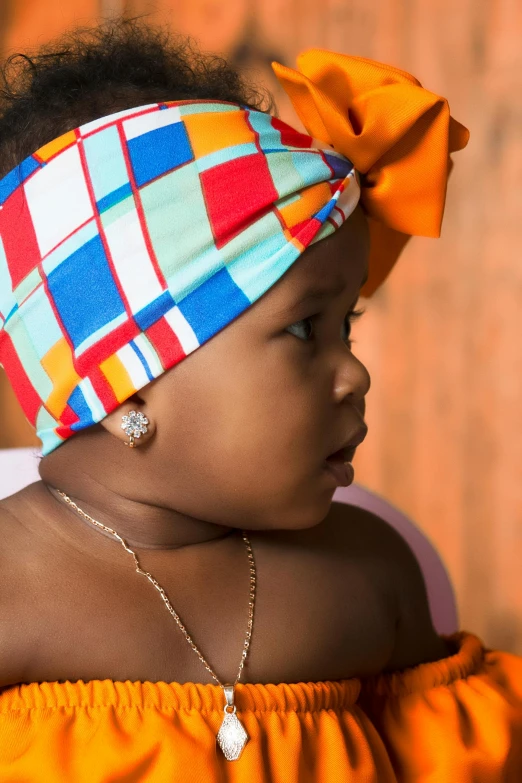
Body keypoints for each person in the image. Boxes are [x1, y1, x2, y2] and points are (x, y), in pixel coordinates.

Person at [0, 17, 520, 782]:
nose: (355, 375)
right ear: (123, 379)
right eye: (307, 329)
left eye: (349, 326)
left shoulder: (370, 575)